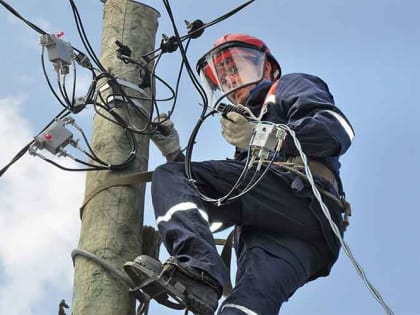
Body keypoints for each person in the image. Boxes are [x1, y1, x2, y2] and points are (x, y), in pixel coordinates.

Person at [124, 33, 354, 315]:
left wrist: (262, 135)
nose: (230, 79)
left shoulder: (287, 87)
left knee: (170, 177)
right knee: (243, 307)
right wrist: (174, 153)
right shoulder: (246, 139)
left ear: (266, 67)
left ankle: (199, 270)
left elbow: (336, 130)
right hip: (296, 237)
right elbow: (213, 200)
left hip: (303, 199)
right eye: (222, 75)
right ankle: (201, 280)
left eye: (235, 67)